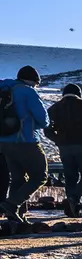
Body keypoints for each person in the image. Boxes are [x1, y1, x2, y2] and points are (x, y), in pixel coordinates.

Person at [45, 83, 82, 217]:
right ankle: (74, 198)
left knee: (70, 177)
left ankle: (72, 209)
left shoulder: (55, 108)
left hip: (64, 148)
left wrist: (58, 140)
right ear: (79, 94)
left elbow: (47, 129)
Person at [0, 66, 49, 223]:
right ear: (33, 81)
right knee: (40, 176)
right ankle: (11, 204)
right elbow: (43, 120)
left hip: (4, 143)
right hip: (25, 141)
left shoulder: (3, 89)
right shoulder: (28, 92)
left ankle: (15, 215)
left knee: (17, 179)